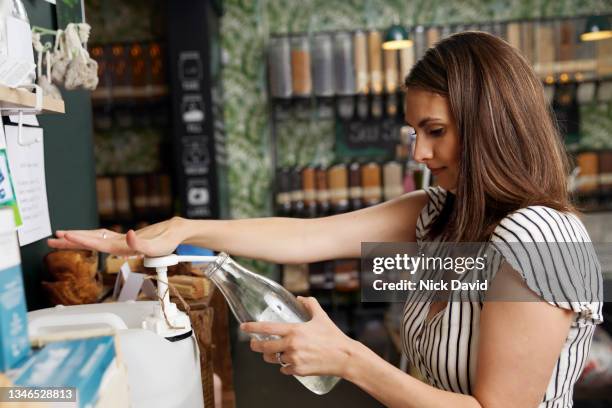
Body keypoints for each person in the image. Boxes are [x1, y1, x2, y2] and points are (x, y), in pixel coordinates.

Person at [49, 32, 602, 407]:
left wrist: (349, 357)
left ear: (493, 124)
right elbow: (310, 235)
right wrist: (183, 230)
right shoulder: (444, 218)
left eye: (436, 131)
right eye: (415, 134)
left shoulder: (542, 237)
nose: (419, 155)